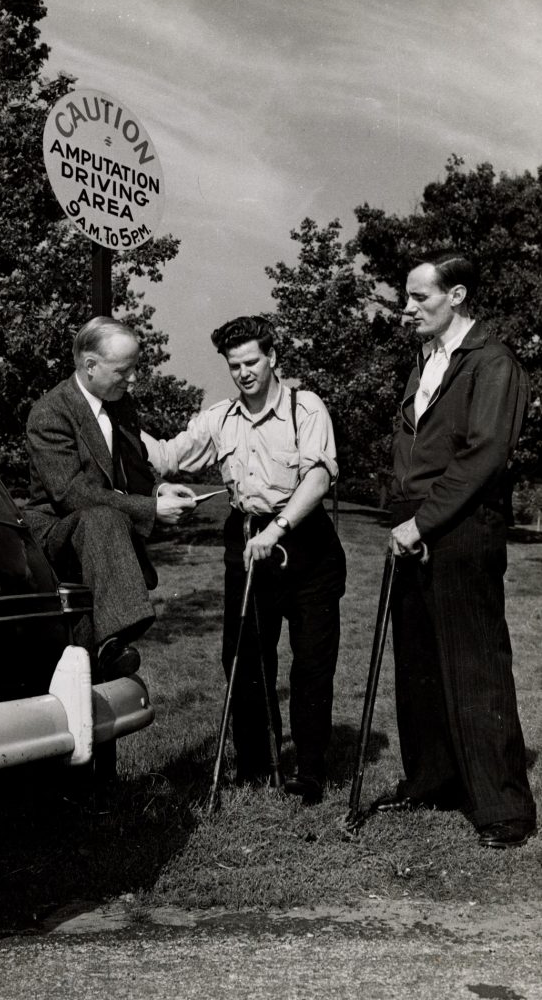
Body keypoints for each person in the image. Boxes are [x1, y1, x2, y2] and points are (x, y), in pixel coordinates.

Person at [143, 316, 346, 802]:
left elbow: (318, 478)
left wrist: (278, 528)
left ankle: (310, 770)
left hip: (304, 540)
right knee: (244, 659)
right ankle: (256, 767)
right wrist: (117, 420)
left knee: (312, 662)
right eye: (234, 366)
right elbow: (169, 457)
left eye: (251, 362)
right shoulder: (220, 417)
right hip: (247, 541)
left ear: (273, 357)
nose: (244, 373)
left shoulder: (306, 408)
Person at [380, 249, 537, 848]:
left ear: (458, 296)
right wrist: (403, 511)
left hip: (462, 528)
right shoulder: (429, 359)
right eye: (407, 296)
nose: (408, 308)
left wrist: (424, 522)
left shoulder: (493, 363)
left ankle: (503, 808)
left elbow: (483, 457)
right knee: (418, 661)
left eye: (420, 297)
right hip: (413, 522)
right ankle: (433, 781)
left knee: (473, 662)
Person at [24, 316, 196, 681]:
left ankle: (112, 645)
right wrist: (150, 509)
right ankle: (116, 638)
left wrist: (159, 490)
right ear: (90, 366)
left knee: (103, 517)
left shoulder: (121, 405)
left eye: (135, 368)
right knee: (100, 516)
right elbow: (71, 494)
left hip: (103, 533)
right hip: (59, 534)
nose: (133, 379)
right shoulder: (50, 412)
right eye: (124, 370)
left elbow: (134, 470)